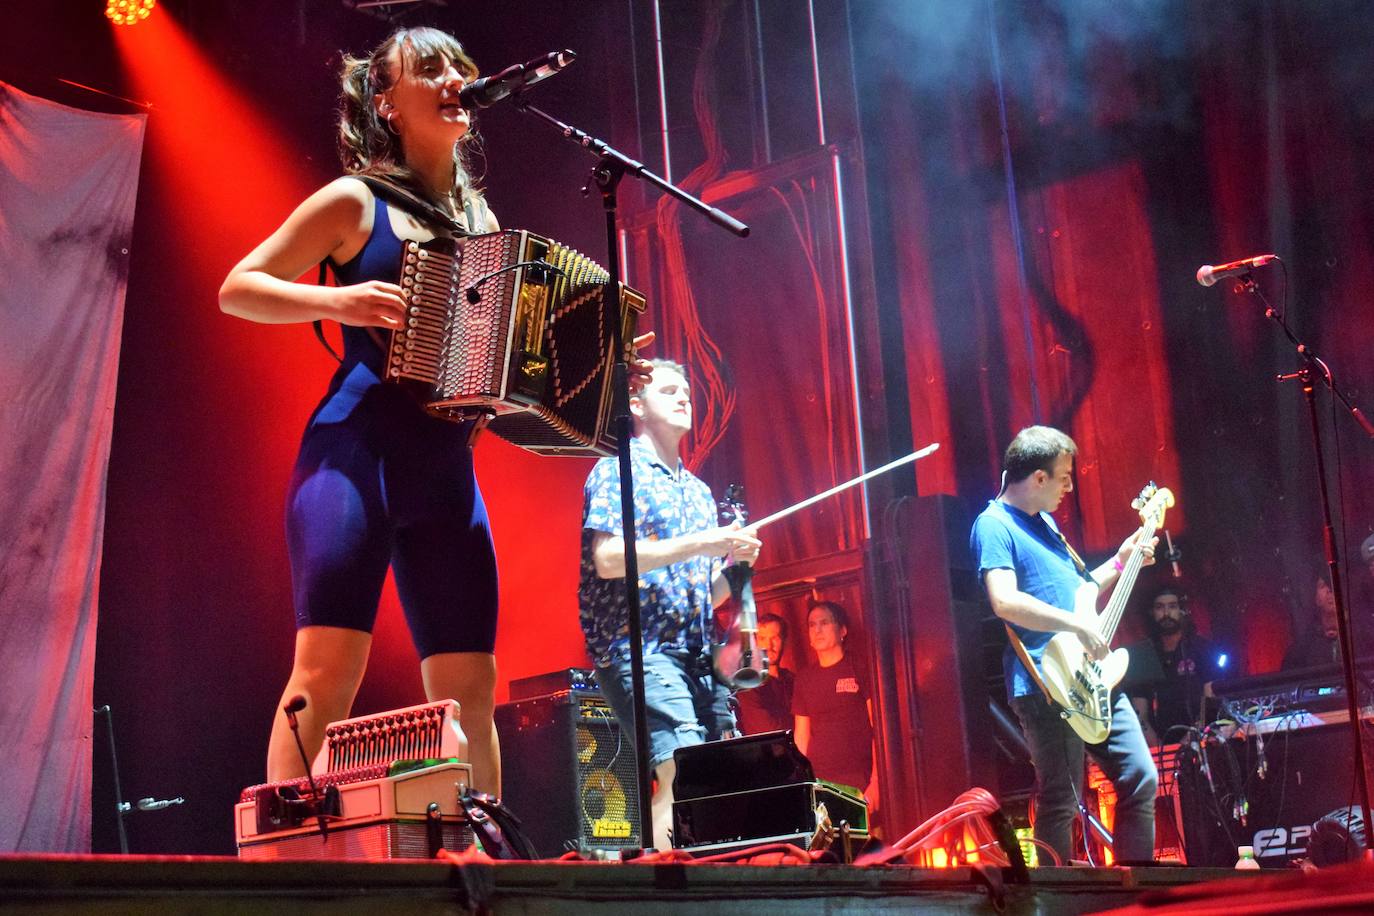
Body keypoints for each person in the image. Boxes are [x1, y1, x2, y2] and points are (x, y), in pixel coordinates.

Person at [219, 27, 652, 791]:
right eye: (431, 69)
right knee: (327, 673)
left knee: (472, 687)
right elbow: (239, 287)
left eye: (460, 65)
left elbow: (503, 361)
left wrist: (600, 366)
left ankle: (477, 857)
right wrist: (339, 296)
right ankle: (283, 861)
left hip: (447, 468)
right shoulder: (355, 200)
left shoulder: (481, 220)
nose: (455, 77)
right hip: (356, 456)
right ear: (386, 104)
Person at [579, 359, 762, 850]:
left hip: (696, 655)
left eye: (686, 391)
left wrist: (736, 568)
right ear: (636, 405)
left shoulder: (699, 493)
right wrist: (701, 543)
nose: (684, 397)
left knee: (713, 773)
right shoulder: (617, 469)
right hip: (638, 648)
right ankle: (666, 889)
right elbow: (608, 558)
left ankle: (700, 880)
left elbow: (705, 592)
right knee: (681, 767)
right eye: (669, 390)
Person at [969, 425, 1158, 865]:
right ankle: (1055, 901)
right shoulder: (993, 525)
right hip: (1045, 683)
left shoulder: (1046, 524)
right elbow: (1004, 600)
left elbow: (1080, 591)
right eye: (1065, 477)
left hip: (1091, 675)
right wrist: (1076, 624)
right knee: (1060, 800)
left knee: (1141, 779)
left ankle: (1137, 895)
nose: (1070, 487)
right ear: (1038, 478)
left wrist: (1121, 560)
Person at [792, 602, 879, 809]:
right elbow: (801, 737)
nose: (818, 629)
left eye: (824, 623)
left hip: (858, 778)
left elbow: (879, 728)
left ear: (842, 630)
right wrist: (799, 783)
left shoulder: (860, 667)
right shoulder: (804, 678)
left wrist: (877, 782)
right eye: (812, 625)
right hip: (820, 779)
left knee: (864, 839)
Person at [1121, 584, 1224, 746]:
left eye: (1172, 607)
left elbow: (1210, 704)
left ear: (1182, 611)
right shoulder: (1143, 655)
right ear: (1152, 613)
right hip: (1159, 744)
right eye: (1160, 608)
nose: (1167, 614)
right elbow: (1140, 715)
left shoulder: (1201, 648)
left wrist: (1188, 742)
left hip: (1198, 740)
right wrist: (1162, 750)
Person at [734, 612, 796, 735]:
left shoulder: (793, 680)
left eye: (775, 638)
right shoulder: (748, 684)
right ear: (755, 642)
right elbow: (769, 730)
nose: (769, 645)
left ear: (784, 640)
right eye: (763, 639)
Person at [1282, 571, 1342, 670]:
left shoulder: (1364, 634)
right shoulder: (1305, 645)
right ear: (1316, 598)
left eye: (1333, 583)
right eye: (1323, 586)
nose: (1329, 591)